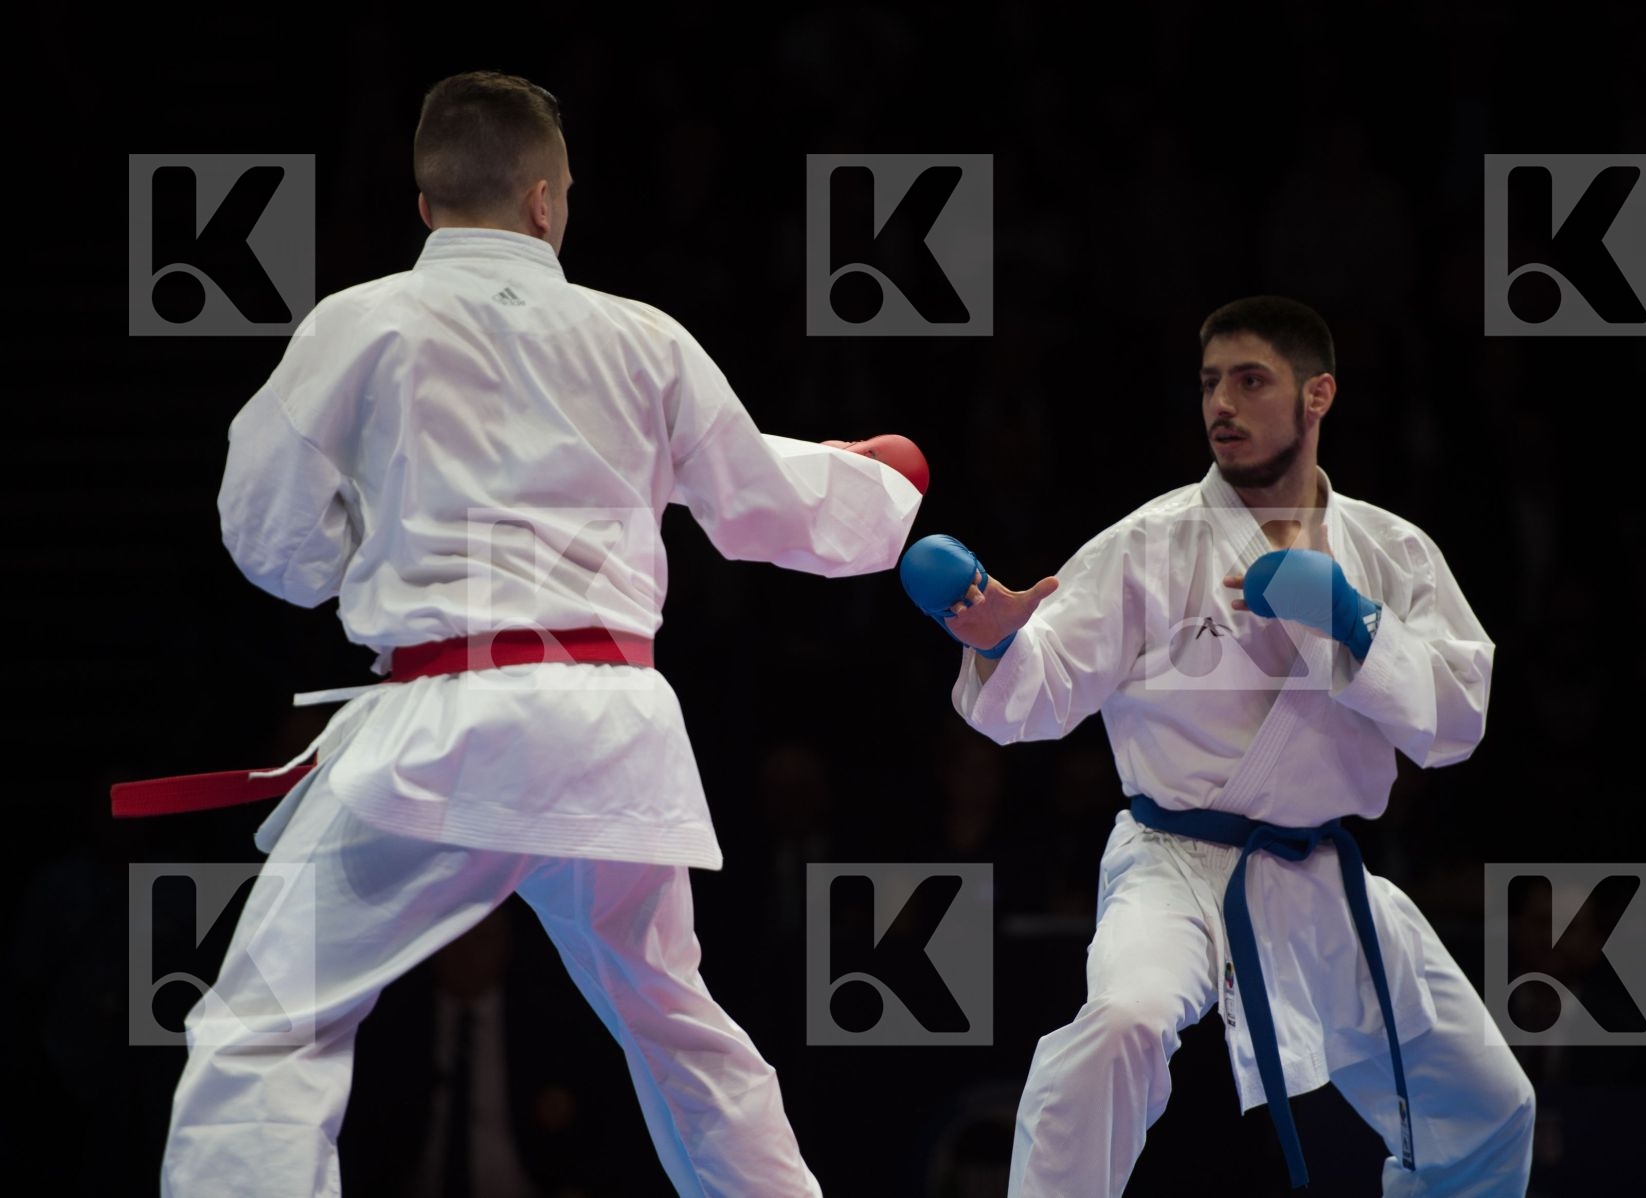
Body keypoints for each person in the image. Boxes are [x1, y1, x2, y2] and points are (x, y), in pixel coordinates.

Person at [158, 70, 925, 1198]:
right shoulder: (640, 337)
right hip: (611, 730)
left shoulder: (360, 322)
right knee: (675, 1023)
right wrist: (882, 490)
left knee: (268, 1028)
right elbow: (764, 502)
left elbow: (260, 529)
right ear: (546, 200)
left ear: (426, 207)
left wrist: (351, 562)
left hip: (442, 726)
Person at [900, 296, 1535, 1196]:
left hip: (1323, 879)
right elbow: (1033, 697)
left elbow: (1458, 723)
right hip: (1175, 867)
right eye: (1208, 384)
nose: (1220, 405)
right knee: (1123, 1020)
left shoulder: (1392, 551)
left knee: (1491, 1106)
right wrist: (997, 638)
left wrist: (1359, 624)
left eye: (1249, 380)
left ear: (1318, 397)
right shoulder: (1148, 545)